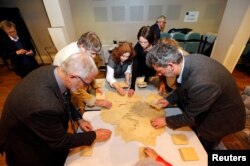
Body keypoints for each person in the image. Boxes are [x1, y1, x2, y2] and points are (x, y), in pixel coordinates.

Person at [0, 52, 112, 165]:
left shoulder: (58, 72)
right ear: (72, 76)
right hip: (26, 146)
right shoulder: (45, 105)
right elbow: (60, 142)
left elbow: (65, 98)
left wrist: (78, 118)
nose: (85, 87)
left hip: (38, 127)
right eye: (86, 83)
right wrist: (94, 135)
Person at [146, 43, 246, 151]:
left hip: (222, 118)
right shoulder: (186, 61)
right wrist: (169, 99)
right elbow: (183, 86)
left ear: (170, 66)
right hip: (208, 103)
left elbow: (191, 117)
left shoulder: (202, 83)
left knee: (203, 146)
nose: (159, 74)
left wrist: (166, 121)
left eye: (160, 71)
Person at [53, 31, 112, 111]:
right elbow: (76, 89)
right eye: (92, 53)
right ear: (82, 46)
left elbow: (88, 72)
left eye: (96, 54)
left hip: (71, 79)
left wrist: (95, 87)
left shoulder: (82, 49)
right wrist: (96, 101)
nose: (94, 56)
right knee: (72, 103)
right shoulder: (71, 57)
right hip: (60, 83)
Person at [128, 26, 164, 97]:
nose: (142, 45)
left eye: (145, 42)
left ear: (150, 41)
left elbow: (162, 66)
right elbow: (135, 66)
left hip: (151, 70)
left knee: (150, 92)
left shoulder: (156, 47)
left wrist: (162, 82)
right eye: (140, 41)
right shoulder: (138, 47)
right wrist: (132, 87)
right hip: (140, 69)